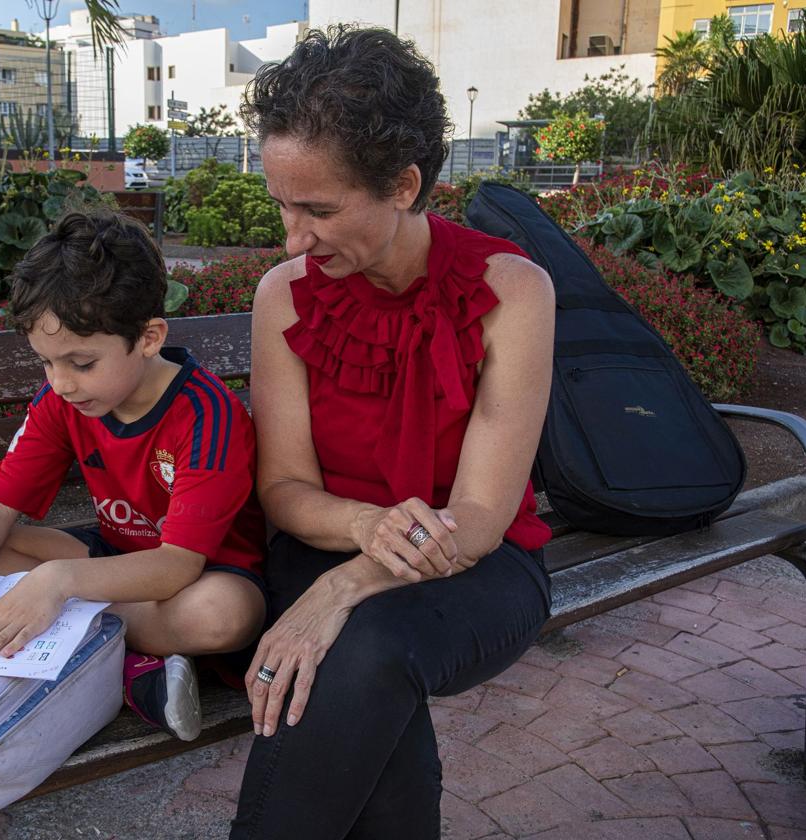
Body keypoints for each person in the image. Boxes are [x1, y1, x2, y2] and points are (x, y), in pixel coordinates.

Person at [229, 26, 555, 839]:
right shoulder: (285, 295)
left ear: (405, 184)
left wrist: (344, 587)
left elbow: (479, 516)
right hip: (323, 541)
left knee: (356, 645)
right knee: (357, 671)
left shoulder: (513, 291)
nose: (292, 238)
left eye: (319, 209)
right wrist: (362, 529)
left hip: (476, 563)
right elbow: (286, 490)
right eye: (281, 204)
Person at [0, 210, 267, 741]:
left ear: (149, 337)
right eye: (46, 363)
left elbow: (176, 566)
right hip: (112, 568)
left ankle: (106, 658)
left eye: (82, 364)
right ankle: (132, 667)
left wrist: (57, 584)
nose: (61, 384)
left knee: (223, 614)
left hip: (199, 579)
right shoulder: (61, 401)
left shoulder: (206, 416)